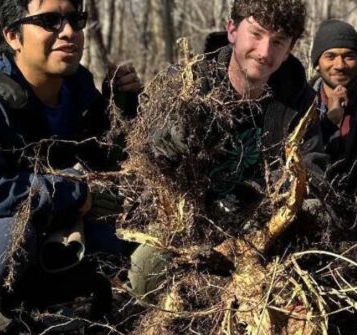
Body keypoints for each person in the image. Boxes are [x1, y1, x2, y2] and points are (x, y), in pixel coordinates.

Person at [0, 0, 141, 331]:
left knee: (117, 231)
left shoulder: (76, 85)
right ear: (13, 36)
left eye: (75, 19)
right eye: (50, 21)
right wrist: (69, 190)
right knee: (10, 237)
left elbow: (106, 166)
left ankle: (20, 308)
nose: (69, 32)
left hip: (45, 232)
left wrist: (120, 107)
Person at [128, 0, 327, 301]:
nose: (264, 52)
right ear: (232, 30)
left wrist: (265, 201)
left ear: (289, 49)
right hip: (193, 228)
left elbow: (314, 173)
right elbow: (147, 166)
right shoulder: (190, 85)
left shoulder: (299, 103)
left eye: (278, 42)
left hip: (263, 234)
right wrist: (166, 146)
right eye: (256, 34)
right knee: (146, 269)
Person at [309, 19, 357, 225]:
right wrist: (331, 121)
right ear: (317, 63)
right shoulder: (300, 106)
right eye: (330, 56)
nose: (340, 65)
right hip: (316, 214)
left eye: (348, 57)